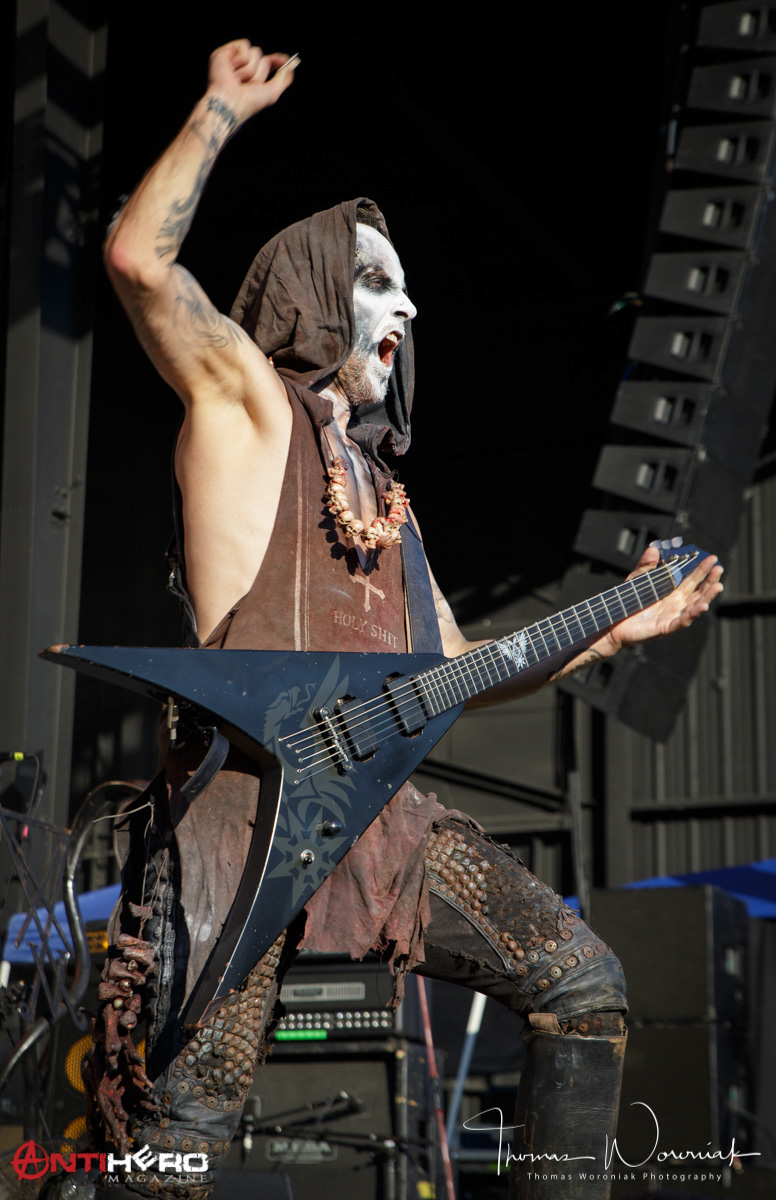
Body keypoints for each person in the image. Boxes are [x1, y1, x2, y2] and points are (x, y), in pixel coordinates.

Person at [83, 40, 723, 1200]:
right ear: (315, 293)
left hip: (378, 819)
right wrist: (219, 109)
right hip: (243, 820)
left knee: (582, 985)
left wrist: (615, 629)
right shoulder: (247, 406)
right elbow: (138, 260)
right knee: (174, 1146)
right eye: (378, 282)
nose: (408, 308)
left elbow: (464, 667)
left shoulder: (387, 504)